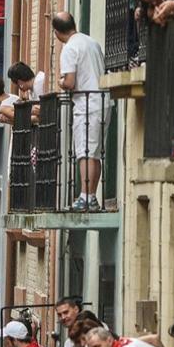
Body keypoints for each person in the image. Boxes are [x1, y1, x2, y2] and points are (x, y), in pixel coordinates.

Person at [52, 12, 106, 211]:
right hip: (102, 101)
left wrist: (60, 81)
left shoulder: (69, 48)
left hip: (87, 104)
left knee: (84, 151)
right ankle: (91, 196)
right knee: (95, 151)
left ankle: (86, 197)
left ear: (57, 32)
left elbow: (69, 82)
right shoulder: (92, 42)